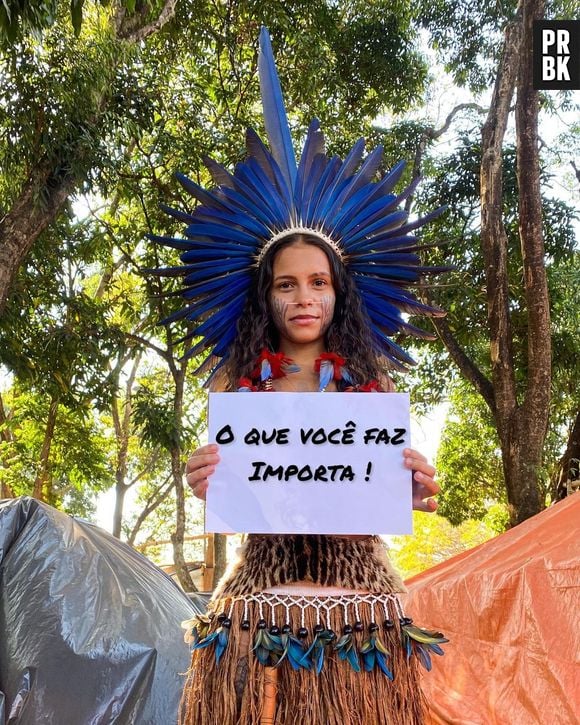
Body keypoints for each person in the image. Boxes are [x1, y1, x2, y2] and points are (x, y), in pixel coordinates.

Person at [150, 27, 447, 725]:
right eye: (286, 284)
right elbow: (232, 495)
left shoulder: (368, 390)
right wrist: (205, 476)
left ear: (341, 292)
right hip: (258, 597)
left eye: (318, 282)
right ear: (265, 296)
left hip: (361, 606)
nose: (304, 297)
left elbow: (395, 498)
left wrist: (419, 485)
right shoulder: (234, 387)